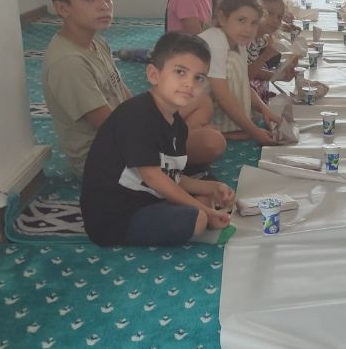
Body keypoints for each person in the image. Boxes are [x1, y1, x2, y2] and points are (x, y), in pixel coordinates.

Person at [80, 32, 234, 247]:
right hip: (117, 218)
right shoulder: (137, 116)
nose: (189, 83)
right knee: (196, 220)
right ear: (154, 75)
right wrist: (205, 210)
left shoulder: (176, 124)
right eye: (180, 72)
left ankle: (195, 204)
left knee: (205, 179)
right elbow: (154, 178)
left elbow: (172, 174)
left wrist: (213, 188)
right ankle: (195, 210)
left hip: (147, 198)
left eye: (198, 78)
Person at [42, 0, 131, 174]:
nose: (104, 5)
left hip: (123, 137)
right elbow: (108, 125)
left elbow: (123, 93)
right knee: (206, 142)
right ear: (63, 8)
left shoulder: (96, 41)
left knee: (187, 110)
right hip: (100, 157)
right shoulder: (68, 63)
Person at [198, 0, 281, 145]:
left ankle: (227, 125)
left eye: (254, 23)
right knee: (232, 64)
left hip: (201, 100)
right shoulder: (216, 42)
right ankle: (226, 128)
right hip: (182, 105)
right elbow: (222, 94)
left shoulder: (239, 44)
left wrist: (265, 111)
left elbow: (244, 83)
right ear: (222, 18)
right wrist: (254, 131)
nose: (248, 29)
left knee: (236, 66)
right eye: (241, 20)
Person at [248, 0, 297, 102]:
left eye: (279, 17)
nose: (275, 21)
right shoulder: (246, 40)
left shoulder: (261, 39)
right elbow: (247, 74)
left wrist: (280, 74)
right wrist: (266, 55)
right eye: (269, 13)